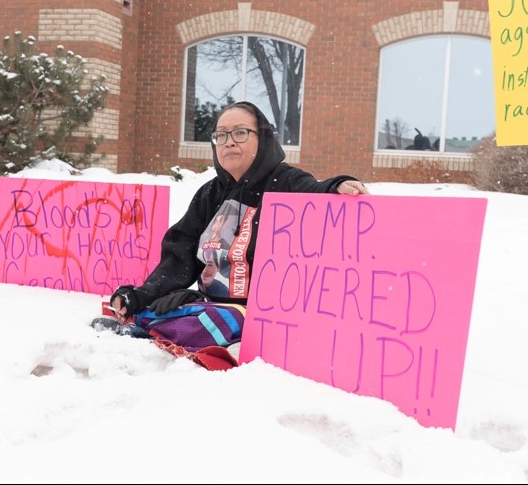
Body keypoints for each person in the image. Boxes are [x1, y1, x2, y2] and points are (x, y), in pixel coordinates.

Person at [96, 101, 368, 339]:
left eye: (240, 132)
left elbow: (315, 193)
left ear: (262, 139)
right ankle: (159, 324)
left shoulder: (285, 182)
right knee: (166, 307)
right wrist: (143, 295)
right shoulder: (211, 193)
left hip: (262, 317)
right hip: (211, 305)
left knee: (224, 320)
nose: (229, 141)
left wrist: (337, 186)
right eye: (222, 135)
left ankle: (161, 330)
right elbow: (180, 256)